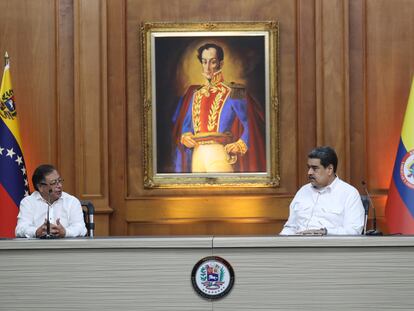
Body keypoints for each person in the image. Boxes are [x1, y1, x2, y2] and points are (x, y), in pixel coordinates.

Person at [172, 42, 266, 173]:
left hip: (218, 153)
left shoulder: (234, 91)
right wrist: (186, 136)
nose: (207, 67)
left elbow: (250, 123)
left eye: (212, 62)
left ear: (220, 64)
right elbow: (187, 127)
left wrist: (239, 144)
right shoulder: (195, 94)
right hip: (197, 154)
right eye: (204, 62)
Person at [280, 146, 364, 235]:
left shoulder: (349, 194)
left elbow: (354, 231)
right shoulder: (303, 191)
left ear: (329, 169)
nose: (309, 172)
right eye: (309, 167)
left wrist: (324, 232)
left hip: (329, 247)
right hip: (298, 246)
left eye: (315, 168)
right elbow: (290, 227)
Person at [15, 164, 87, 238]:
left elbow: (81, 228)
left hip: (65, 247)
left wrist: (65, 232)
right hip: (37, 248)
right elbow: (20, 229)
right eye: (53, 183)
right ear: (40, 187)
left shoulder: (72, 202)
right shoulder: (28, 202)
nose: (59, 186)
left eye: (59, 181)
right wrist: (36, 231)